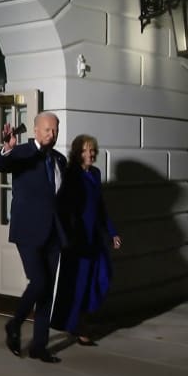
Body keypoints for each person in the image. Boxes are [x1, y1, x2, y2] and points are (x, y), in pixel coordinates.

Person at [0, 111, 67, 363]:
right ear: (35, 130)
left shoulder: (60, 160)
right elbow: (1, 165)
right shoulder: (22, 153)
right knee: (39, 282)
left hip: (54, 233)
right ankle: (14, 325)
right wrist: (6, 148)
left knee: (47, 292)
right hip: (28, 231)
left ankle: (39, 347)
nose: (52, 134)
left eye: (55, 130)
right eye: (47, 129)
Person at [51, 134, 121, 346]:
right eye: (84, 150)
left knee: (98, 278)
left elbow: (100, 208)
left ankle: (80, 323)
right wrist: (67, 235)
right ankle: (79, 327)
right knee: (78, 284)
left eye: (91, 150)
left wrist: (112, 232)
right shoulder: (71, 174)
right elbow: (62, 207)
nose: (89, 154)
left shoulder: (96, 173)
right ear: (77, 153)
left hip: (94, 238)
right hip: (76, 241)